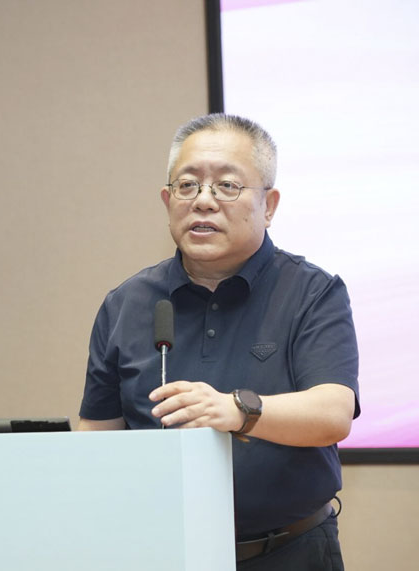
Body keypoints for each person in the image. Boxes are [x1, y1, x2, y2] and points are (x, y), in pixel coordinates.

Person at [78, 113, 359, 570]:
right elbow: (97, 436)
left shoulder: (312, 292)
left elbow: (332, 413)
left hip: (289, 553)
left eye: (227, 186)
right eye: (187, 185)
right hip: (160, 552)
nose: (203, 201)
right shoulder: (126, 303)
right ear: (167, 201)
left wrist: (237, 410)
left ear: (269, 205)